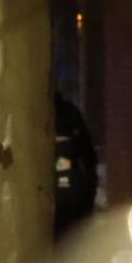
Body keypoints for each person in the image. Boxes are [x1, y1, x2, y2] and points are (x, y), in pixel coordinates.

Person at [54, 91, 99, 239]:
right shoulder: (69, 112)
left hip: (67, 194)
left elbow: (88, 156)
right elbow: (88, 156)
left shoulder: (67, 113)